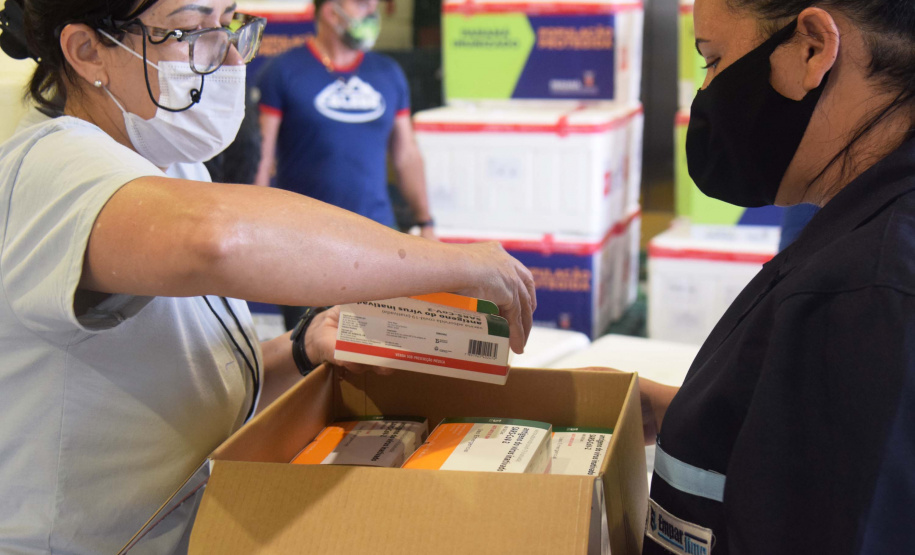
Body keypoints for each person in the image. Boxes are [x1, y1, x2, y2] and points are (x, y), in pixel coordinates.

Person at [0, 0, 536, 553]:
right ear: (87, 52)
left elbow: (198, 389)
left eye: (228, 24)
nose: (230, 55)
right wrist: (454, 260)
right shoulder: (47, 169)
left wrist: (299, 349)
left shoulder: (176, 168)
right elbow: (217, 239)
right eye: (189, 31)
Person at [636, 0, 915, 553]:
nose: (709, 91)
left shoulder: (868, 288)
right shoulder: (858, 220)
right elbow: (827, 442)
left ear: (812, 47)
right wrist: (681, 411)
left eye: (712, 60)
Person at [255, 0, 435, 329]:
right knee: (310, 353)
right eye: (363, 4)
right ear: (330, 11)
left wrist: (426, 221)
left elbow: (406, 153)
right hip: (303, 245)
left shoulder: (388, 74)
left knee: (382, 353)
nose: (372, 12)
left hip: (378, 240)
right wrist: (255, 229)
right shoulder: (283, 71)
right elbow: (263, 158)